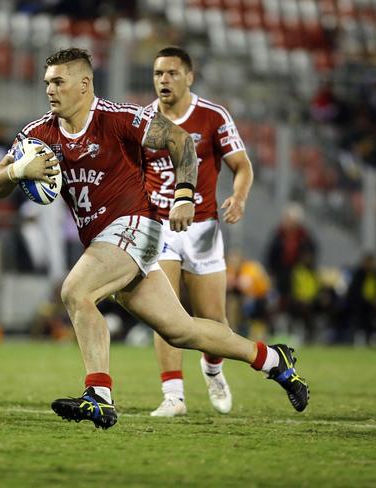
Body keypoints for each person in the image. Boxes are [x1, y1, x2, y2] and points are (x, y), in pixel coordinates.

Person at [0, 48, 309, 430]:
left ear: (84, 84)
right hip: (104, 242)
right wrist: (18, 170)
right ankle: (275, 361)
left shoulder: (118, 119)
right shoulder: (39, 133)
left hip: (137, 225)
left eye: (58, 82)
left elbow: (181, 142)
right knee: (181, 330)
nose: (50, 90)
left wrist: (185, 193)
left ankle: (99, 395)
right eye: (47, 83)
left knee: (75, 291)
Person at [142, 46, 254, 417]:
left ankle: (213, 368)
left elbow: (242, 165)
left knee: (213, 320)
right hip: (158, 226)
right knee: (165, 313)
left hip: (203, 227)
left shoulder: (212, 116)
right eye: (159, 74)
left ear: (189, 76)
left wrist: (238, 198)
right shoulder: (143, 120)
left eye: (172, 73)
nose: (164, 80)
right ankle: (173, 395)